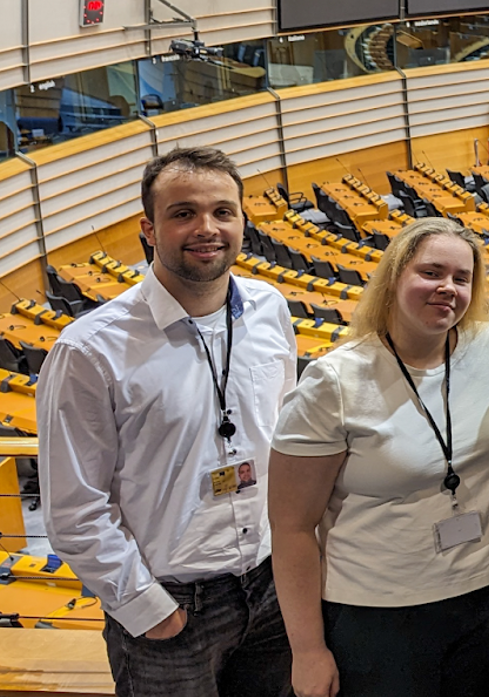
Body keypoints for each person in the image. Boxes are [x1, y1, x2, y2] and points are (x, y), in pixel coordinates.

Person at [40, 146, 297, 696]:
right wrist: (144, 605)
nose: (207, 228)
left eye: (223, 212)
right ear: (148, 229)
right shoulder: (90, 350)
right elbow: (73, 506)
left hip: (275, 589)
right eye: (183, 213)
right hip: (171, 608)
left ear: (243, 221)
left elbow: (286, 438)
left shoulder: (271, 309)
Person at [269, 218, 489, 697]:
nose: (446, 287)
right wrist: (307, 650)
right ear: (394, 277)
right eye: (430, 272)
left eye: (461, 278)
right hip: (378, 619)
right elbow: (292, 528)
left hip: (488, 595)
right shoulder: (333, 383)